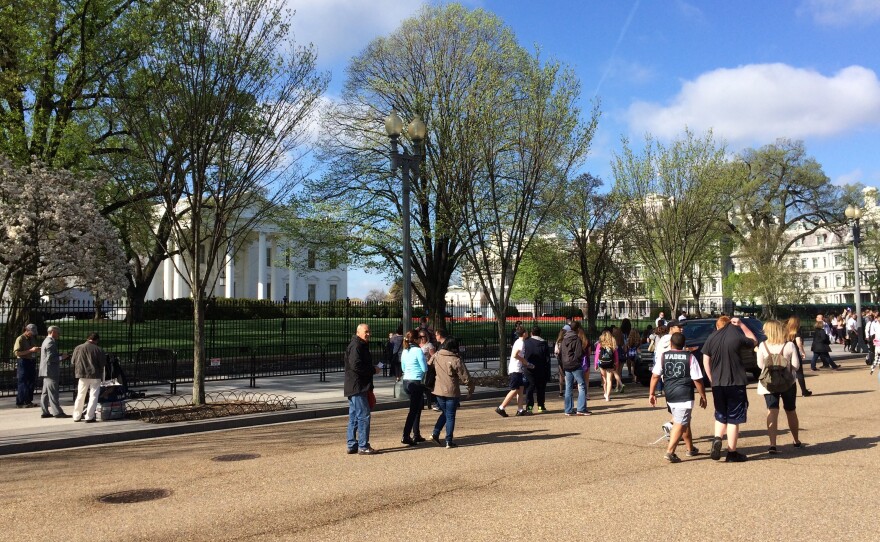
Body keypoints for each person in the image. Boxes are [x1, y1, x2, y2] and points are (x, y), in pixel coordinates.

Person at [702, 316, 758, 462]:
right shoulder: (736, 334)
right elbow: (754, 341)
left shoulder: (711, 337)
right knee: (734, 418)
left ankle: (717, 438)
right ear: (730, 324)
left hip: (718, 383)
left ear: (717, 325)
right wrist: (742, 325)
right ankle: (732, 452)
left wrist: (710, 378)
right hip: (735, 381)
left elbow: (705, 359)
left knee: (721, 413)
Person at [649, 332, 707, 462]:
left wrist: (651, 393)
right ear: (684, 345)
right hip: (684, 394)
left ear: (670, 344)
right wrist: (703, 395)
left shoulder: (664, 356)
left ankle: (690, 448)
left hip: (670, 394)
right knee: (680, 423)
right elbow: (697, 379)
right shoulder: (690, 357)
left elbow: (655, 375)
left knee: (683, 420)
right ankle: (670, 452)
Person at [757, 320, 802, 454]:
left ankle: (772, 443)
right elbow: (796, 366)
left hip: (769, 383)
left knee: (772, 410)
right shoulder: (789, 345)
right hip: (787, 382)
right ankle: (796, 439)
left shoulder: (763, 345)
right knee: (790, 410)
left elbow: (760, 365)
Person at [429, 337, 474, 448]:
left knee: (445, 413)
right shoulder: (455, 359)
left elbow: (429, 364)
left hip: (438, 389)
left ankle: (435, 432)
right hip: (451, 390)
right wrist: (470, 388)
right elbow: (465, 376)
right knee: (450, 415)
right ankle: (448, 440)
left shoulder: (437, 355)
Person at [344, 323, 380, 455]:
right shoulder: (357, 346)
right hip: (358, 386)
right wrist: (373, 370)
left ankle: (352, 444)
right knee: (363, 416)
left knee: (354, 416)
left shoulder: (358, 345)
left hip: (355, 386)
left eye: (369, 331)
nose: (368, 334)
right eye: (366, 331)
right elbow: (356, 366)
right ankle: (363, 446)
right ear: (358, 332)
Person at [71, 332, 107, 423]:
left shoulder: (78, 348)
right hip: (95, 375)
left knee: (80, 395)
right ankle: (89, 416)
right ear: (97, 340)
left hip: (82, 374)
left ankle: (76, 416)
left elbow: (73, 361)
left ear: (87, 338)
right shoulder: (99, 349)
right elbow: (103, 364)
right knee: (93, 395)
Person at [399, 329, 427, 446]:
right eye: (420, 338)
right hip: (416, 381)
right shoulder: (418, 351)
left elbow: (403, 368)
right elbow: (424, 368)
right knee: (413, 410)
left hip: (406, 381)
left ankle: (416, 434)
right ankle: (406, 435)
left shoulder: (405, 351)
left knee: (417, 408)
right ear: (416, 339)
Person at [496, 328, 532, 416]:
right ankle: (501, 407)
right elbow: (515, 355)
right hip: (515, 368)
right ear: (524, 334)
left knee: (521, 389)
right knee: (515, 389)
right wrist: (525, 362)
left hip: (518, 369)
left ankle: (520, 409)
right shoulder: (520, 343)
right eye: (526, 332)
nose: (528, 333)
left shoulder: (519, 341)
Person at [558, 321, 590, 416]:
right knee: (582, 385)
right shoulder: (576, 339)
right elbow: (579, 353)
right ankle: (581, 408)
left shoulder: (564, 339)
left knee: (568, 387)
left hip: (566, 364)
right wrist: (577, 360)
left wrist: (564, 363)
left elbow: (561, 353)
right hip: (575, 364)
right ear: (578, 329)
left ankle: (568, 409)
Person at [39, 326, 71, 418]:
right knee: (53, 392)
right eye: (58, 333)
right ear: (52, 332)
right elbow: (51, 358)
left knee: (45, 393)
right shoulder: (50, 342)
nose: (59, 335)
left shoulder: (46, 341)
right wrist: (62, 357)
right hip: (51, 371)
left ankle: (44, 411)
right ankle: (57, 412)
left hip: (46, 370)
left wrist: (59, 355)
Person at [523, 326, 551, 413]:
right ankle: (541, 406)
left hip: (529, 368)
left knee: (530, 388)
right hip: (541, 368)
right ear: (540, 333)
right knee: (541, 388)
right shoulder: (544, 343)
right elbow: (547, 359)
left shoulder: (526, 342)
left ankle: (529, 408)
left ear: (531, 333)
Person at [14, 324, 42, 408]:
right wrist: (30, 350)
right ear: (26, 330)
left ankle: (28, 401)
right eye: (31, 332)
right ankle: (20, 402)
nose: (32, 334)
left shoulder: (32, 338)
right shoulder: (20, 339)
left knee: (31, 382)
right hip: (23, 361)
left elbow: (32, 349)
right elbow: (17, 353)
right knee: (23, 382)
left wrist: (37, 349)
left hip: (31, 361)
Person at [785, 316, 812, 397]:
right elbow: (798, 342)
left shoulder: (785, 331)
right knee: (799, 373)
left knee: (786, 372)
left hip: (785, 351)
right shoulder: (796, 331)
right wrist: (802, 352)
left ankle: (785, 390)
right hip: (795, 352)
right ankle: (804, 391)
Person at [595, 330, 619, 402]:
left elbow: (597, 355)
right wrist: (616, 363)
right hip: (610, 363)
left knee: (604, 379)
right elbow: (616, 355)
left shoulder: (600, 344)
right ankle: (608, 396)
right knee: (609, 380)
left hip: (602, 363)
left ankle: (605, 392)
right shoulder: (612, 344)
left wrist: (596, 364)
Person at [554, 325, 570, 397]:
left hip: (560, 361)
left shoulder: (558, 342)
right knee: (567, 375)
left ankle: (560, 391)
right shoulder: (566, 341)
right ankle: (567, 390)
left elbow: (555, 352)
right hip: (566, 360)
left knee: (561, 376)